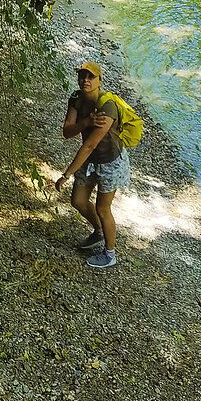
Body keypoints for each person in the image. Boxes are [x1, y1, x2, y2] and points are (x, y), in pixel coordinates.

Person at [54, 60, 127, 270]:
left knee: (103, 208)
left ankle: (110, 254)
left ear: (99, 81)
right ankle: (99, 232)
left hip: (110, 162)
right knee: (78, 201)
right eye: (82, 76)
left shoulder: (107, 106)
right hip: (90, 161)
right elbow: (67, 132)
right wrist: (85, 122)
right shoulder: (76, 98)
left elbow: (90, 145)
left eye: (91, 77)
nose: (85, 80)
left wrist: (66, 174)